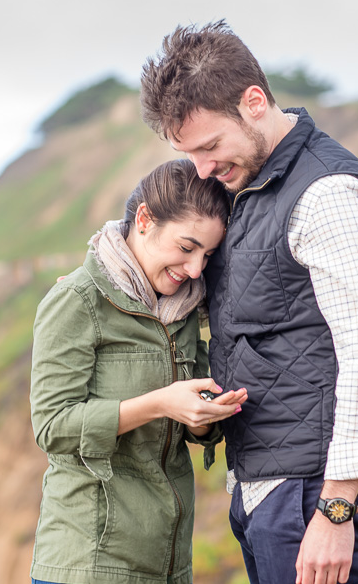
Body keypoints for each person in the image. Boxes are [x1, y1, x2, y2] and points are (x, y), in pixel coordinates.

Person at [139, 21, 358, 584]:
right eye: (190, 155)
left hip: (317, 495)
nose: (205, 169)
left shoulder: (329, 196)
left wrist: (337, 509)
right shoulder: (252, 190)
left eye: (211, 146)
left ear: (254, 102)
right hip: (270, 487)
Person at [29, 158, 249, 584]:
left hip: (168, 564)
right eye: (186, 248)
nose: (195, 270)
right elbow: (52, 427)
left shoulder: (184, 310)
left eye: (207, 255)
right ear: (145, 219)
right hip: (87, 563)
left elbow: (188, 421)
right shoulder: (76, 300)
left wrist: (204, 419)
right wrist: (159, 404)